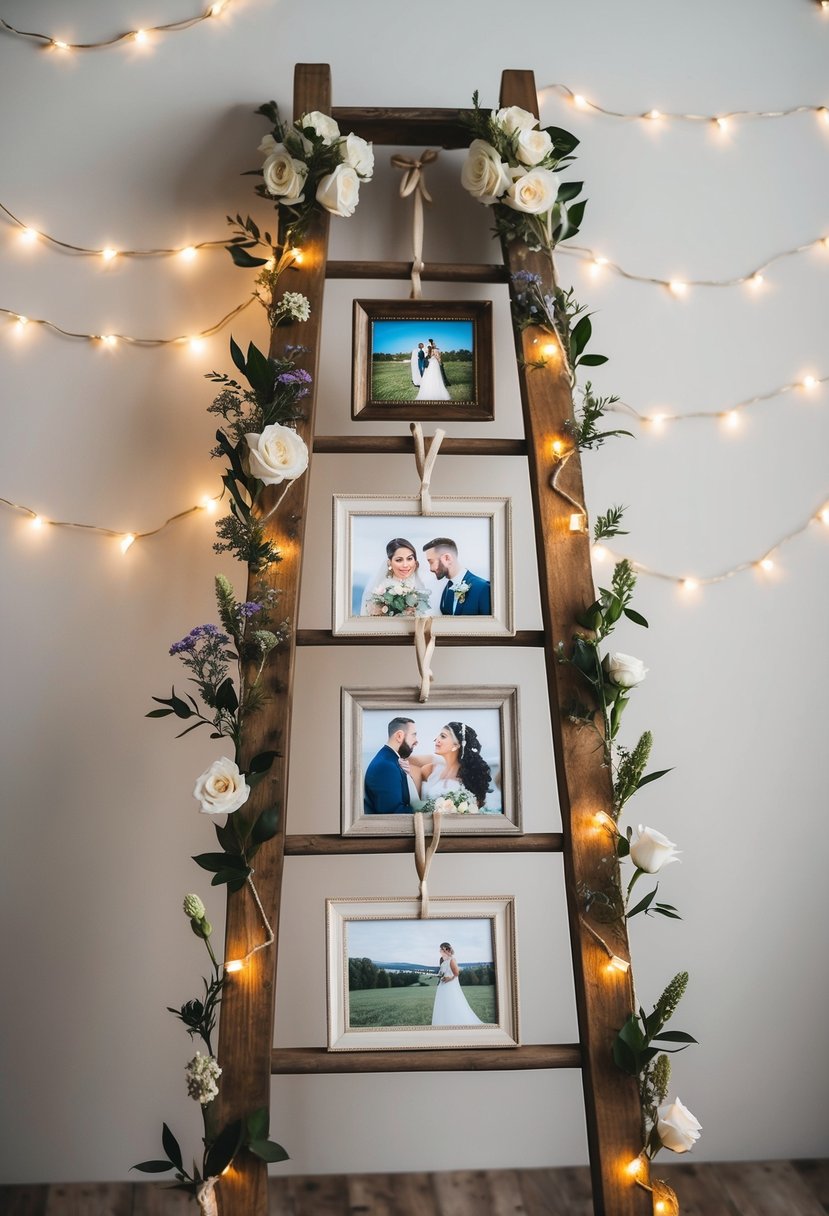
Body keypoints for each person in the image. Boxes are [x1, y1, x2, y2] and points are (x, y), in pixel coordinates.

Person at [407, 721, 492, 810]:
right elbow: (408, 760)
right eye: (438, 736)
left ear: (456, 745)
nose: (437, 740)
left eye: (443, 736)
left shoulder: (469, 774)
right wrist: (434, 758)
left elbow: (475, 806)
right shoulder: (432, 769)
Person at [360, 537, 430, 616]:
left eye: (409, 559)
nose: (405, 565)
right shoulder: (381, 589)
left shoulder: (424, 583)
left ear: (415, 560)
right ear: (390, 563)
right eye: (399, 560)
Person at [422, 537, 491, 616]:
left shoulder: (482, 588)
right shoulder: (447, 589)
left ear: (447, 558)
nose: (431, 569)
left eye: (431, 562)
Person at [364, 716, 418, 814]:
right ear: (399, 736)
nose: (416, 741)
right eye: (413, 735)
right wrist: (423, 813)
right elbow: (394, 814)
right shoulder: (386, 767)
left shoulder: (391, 760)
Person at [431, 942, 483, 1026]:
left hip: (450, 985)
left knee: (451, 1002)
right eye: (440, 949)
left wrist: (448, 978)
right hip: (442, 985)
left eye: (441, 949)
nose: (440, 950)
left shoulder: (452, 960)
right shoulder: (443, 960)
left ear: (446, 950)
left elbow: (456, 973)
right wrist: (438, 976)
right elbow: (442, 972)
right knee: (443, 1004)